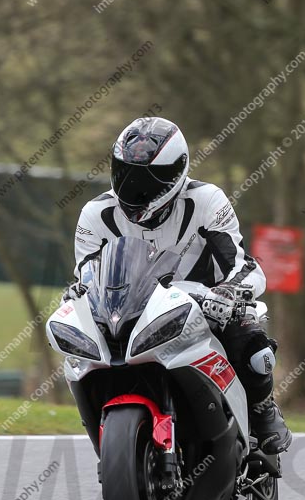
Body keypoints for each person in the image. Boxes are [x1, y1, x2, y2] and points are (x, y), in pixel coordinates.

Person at [68, 116, 292, 454]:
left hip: (206, 307)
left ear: (177, 173)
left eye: (147, 178)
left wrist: (228, 293)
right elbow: (85, 275)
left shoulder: (206, 201)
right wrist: (78, 295)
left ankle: (262, 410)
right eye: (125, 172)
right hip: (132, 312)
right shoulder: (96, 213)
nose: (133, 186)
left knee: (254, 346)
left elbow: (241, 264)